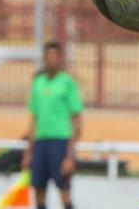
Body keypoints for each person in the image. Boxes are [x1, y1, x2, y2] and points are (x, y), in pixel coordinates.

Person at [22, 41, 83, 209]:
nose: (51, 60)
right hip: (40, 143)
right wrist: (29, 151)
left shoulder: (67, 83)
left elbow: (77, 121)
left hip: (60, 143)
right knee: (38, 191)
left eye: (54, 56)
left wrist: (70, 156)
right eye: (48, 56)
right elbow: (34, 118)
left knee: (63, 191)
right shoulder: (38, 82)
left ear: (60, 58)